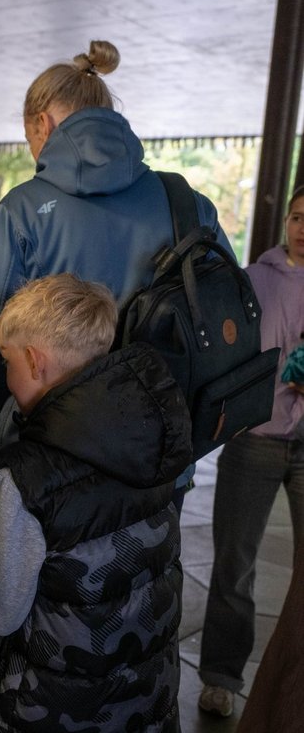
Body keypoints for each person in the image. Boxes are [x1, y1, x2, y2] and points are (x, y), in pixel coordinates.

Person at [0, 273, 192, 732]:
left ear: (34, 361)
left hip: (39, 710)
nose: (7, 376)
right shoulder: (156, 435)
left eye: (6, 361)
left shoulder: (22, 479)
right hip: (140, 700)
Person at [0, 40, 234, 433]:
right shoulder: (187, 204)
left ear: (41, 125)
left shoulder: (25, 208)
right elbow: (225, 309)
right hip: (160, 445)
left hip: (48, 446)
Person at [197, 185, 304, 719]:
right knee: (234, 564)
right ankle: (221, 674)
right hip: (256, 439)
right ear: (285, 220)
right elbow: (228, 350)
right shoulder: (255, 279)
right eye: (298, 216)